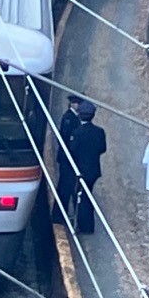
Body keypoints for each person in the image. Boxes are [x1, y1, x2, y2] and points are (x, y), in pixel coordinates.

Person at [68, 100, 107, 234]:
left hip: (80, 169)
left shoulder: (77, 132)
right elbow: (103, 149)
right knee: (87, 195)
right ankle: (88, 225)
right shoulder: (99, 132)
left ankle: (82, 225)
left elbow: (73, 149)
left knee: (80, 197)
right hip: (93, 169)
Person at [55, 93, 82, 223]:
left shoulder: (74, 117)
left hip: (69, 158)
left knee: (68, 186)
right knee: (65, 187)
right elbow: (66, 138)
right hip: (67, 159)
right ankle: (60, 215)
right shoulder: (69, 118)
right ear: (72, 104)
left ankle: (62, 214)